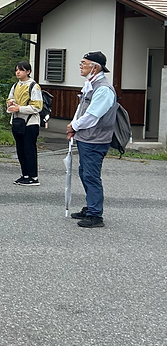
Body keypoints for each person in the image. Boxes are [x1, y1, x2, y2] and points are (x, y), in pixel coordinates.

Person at [66, 51, 118, 228]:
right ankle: (91, 207)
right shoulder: (90, 84)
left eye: (84, 63)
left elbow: (92, 115)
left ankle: (96, 214)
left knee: (91, 175)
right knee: (85, 173)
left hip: (96, 139)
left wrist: (75, 126)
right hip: (87, 137)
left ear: (95, 67)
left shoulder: (103, 89)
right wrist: (74, 125)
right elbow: (82, 108)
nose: (80, 66)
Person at [7, 61, 43, 186]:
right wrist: (11, 103)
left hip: (30, 123)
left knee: (29, 150)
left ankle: (33, 177)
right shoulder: (16, 85)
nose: (18, 72)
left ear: (28, 71)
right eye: (16, 69)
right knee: (20, 150)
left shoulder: (34, 86)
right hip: (17, 122)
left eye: (21, 70)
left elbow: (37, 106)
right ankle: (25, 174)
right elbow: (10, 98)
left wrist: (20, 108)